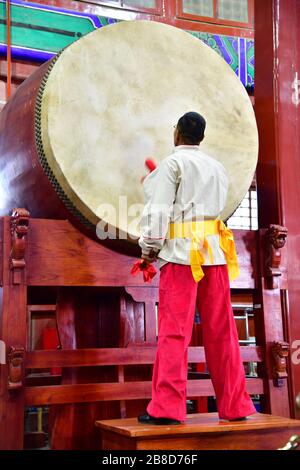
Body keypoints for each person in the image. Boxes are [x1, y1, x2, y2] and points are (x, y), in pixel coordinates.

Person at [137, 111, 256, 425]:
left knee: (175, 333)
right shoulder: (217, 168)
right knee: (223, 333)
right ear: (201, 137)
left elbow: (158, 212)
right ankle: (236, 406)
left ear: (176, 133)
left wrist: (148, 251)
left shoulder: (172, 165)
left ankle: (166, 408)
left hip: (181, 258)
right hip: (214, 256)